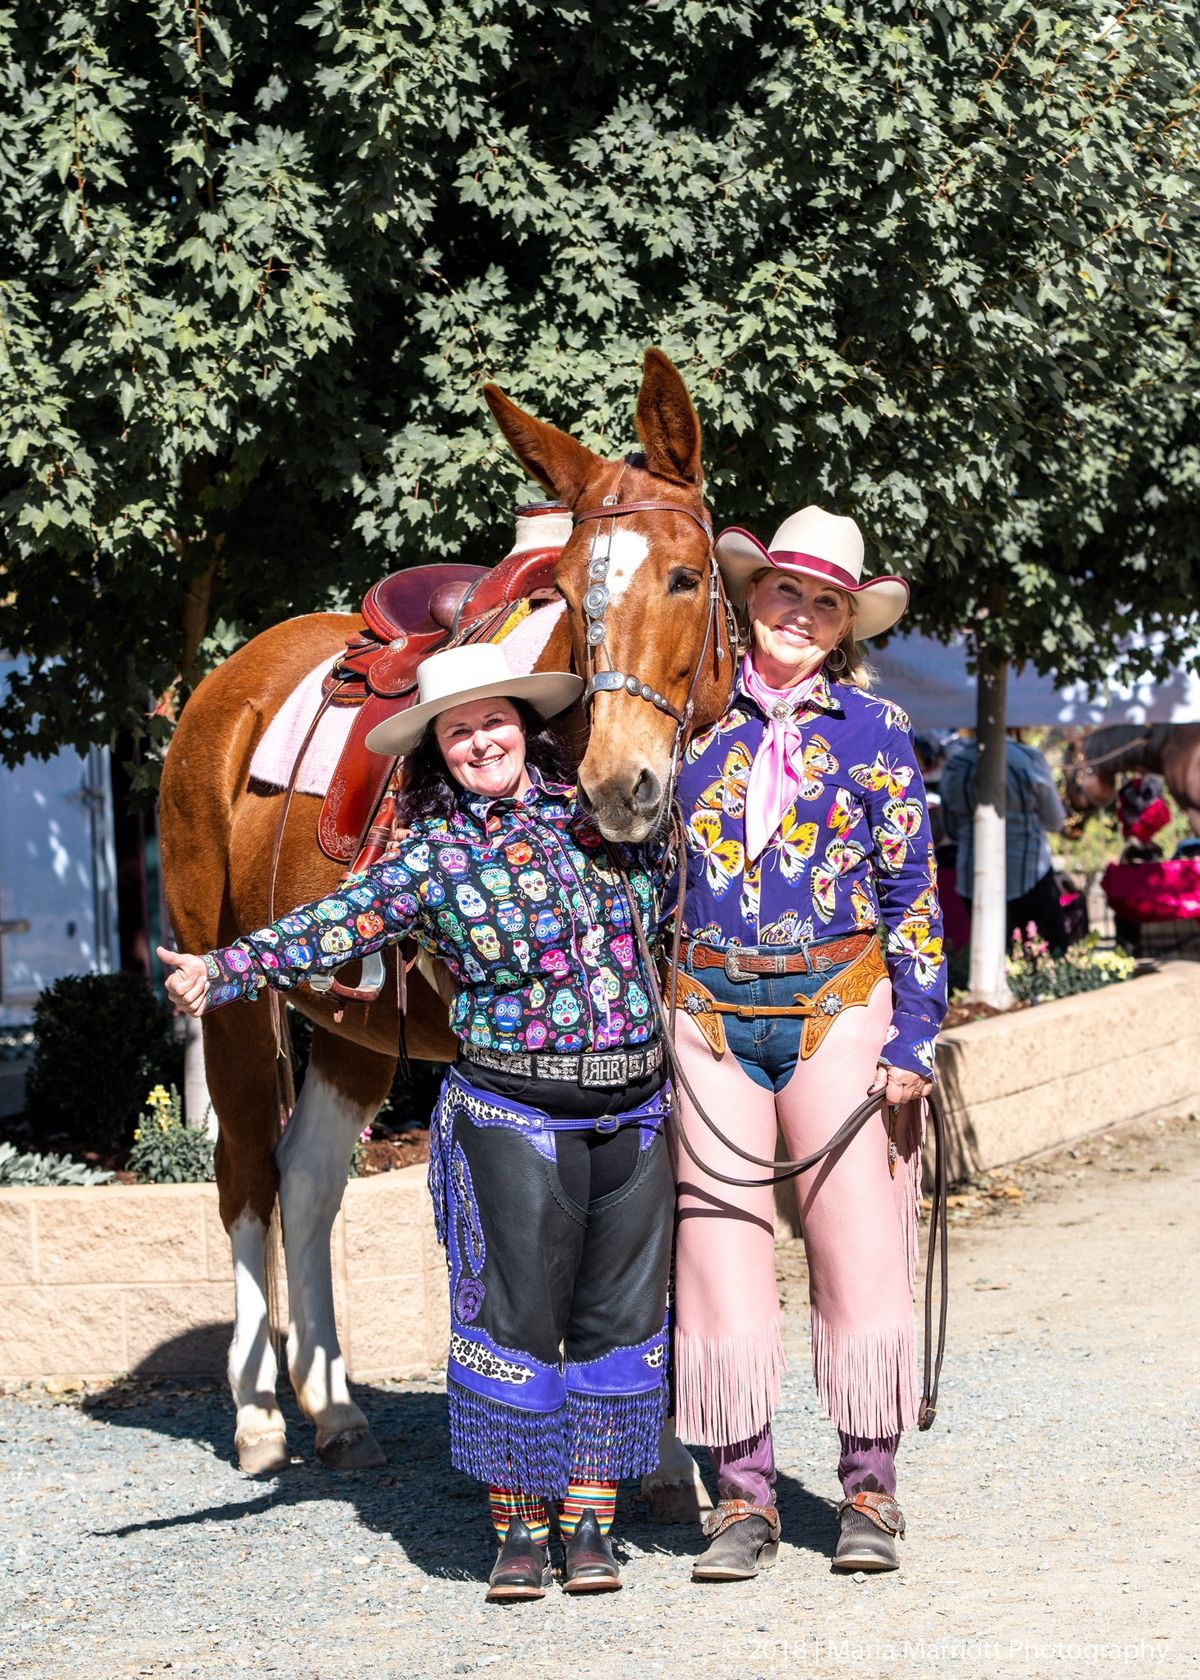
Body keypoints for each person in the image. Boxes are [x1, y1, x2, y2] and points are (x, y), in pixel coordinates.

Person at [158, 644, 674, 1604]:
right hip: (514, 1107)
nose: (481, 740)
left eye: (495, 720)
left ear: (527, 728)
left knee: (617, 1321)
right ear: (439, 749)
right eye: (459, 729)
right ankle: (520, 1533)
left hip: (633, 1108)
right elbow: (333, 926)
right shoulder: (432, 856)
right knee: (513, 1318)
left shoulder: (605, 824)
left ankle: (591, 1523)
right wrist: (220, 969)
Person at [670, 505, 947, 1580]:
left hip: (843, 997)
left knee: (859, 1248)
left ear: (845, 625)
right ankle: (741, 1501)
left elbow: (912, 892)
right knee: (716, 1251)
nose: (801, 614)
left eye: (825, 603)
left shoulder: (875, 733)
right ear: (750, 597)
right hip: (706, 1007)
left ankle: (868, 1494)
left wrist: (914, 1037)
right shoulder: (688, 721)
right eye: (787, 592)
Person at [940, 730, 1068, 951]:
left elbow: (951, 829)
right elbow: (1055, 821)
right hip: (1030, 872)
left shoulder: (955, 766)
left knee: (992, 958)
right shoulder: (1027, 758)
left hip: (973, 877)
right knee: (1049, 956)